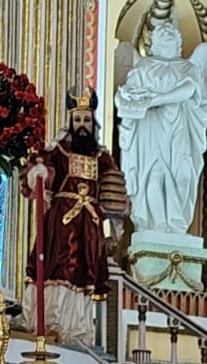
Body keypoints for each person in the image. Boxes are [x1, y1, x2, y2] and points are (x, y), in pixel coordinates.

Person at [22, 85, 128, 344]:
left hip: (89, 225)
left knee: (85, 276)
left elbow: (114, 190)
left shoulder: (102, 157)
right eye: (78, 119)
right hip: (61, 224)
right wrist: (39, 174)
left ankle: (78, 330)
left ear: (93, 123)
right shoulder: (57, 151)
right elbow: (35, 173)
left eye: (87, 120)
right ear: (71, 122)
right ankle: (51, 323)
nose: (82, 125)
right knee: (57, 271)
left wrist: (113, 218)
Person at [115, 16, 207, 236]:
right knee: (154, 177)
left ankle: (177, 226)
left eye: (171, 32)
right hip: (151, 131)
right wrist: (127, 102)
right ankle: (156, 227)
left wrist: (153, 100)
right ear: (153, 43)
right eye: (162, 33)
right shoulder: (143, 66)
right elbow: (123, 96)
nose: (168, 33)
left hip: (179, 129)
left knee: (183, 176)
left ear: (178, 41)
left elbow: (189, 90)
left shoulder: (188, 67)